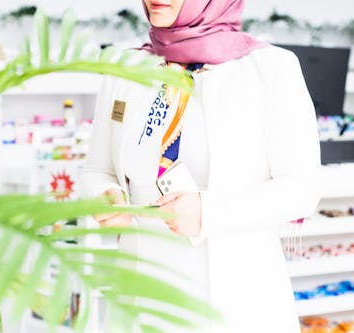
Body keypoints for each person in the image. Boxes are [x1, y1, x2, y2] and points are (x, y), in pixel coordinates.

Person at [81, 0, 321, 332]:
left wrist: (209, 212)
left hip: (237, 302)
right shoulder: (124, 67)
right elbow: (97, 169)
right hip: (142, 297)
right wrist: (105, 195)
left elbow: (301, 189)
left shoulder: (269, 69)